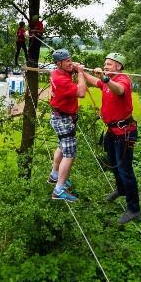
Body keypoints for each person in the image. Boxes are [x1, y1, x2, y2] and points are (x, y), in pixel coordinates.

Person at [83, 52, 140, 224]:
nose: (106, 66)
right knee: (113, 164)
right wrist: (79, 71)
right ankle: (121, 189)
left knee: (125, 170)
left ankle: (134, 209)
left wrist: (106, 79)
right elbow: (94, 81)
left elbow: (120, 90)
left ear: (119, 66)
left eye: (109, 64)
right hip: (112, 132)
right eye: (105, 63)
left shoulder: (122, 80)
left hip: (124, 133)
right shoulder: (107, 81)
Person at [48, 49, 86, 201]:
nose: (71, 63)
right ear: (59, 63)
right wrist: (81, 73)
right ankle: (59, 189)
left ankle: (55, 175)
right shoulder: (61, 80)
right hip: (63, 119)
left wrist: (72, 68)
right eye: (67, 61)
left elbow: (68, 74)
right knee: (70, 153)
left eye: (71, 60)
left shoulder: (57, 73)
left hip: (58, 116)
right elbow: (81, 92)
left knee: (62, 146)